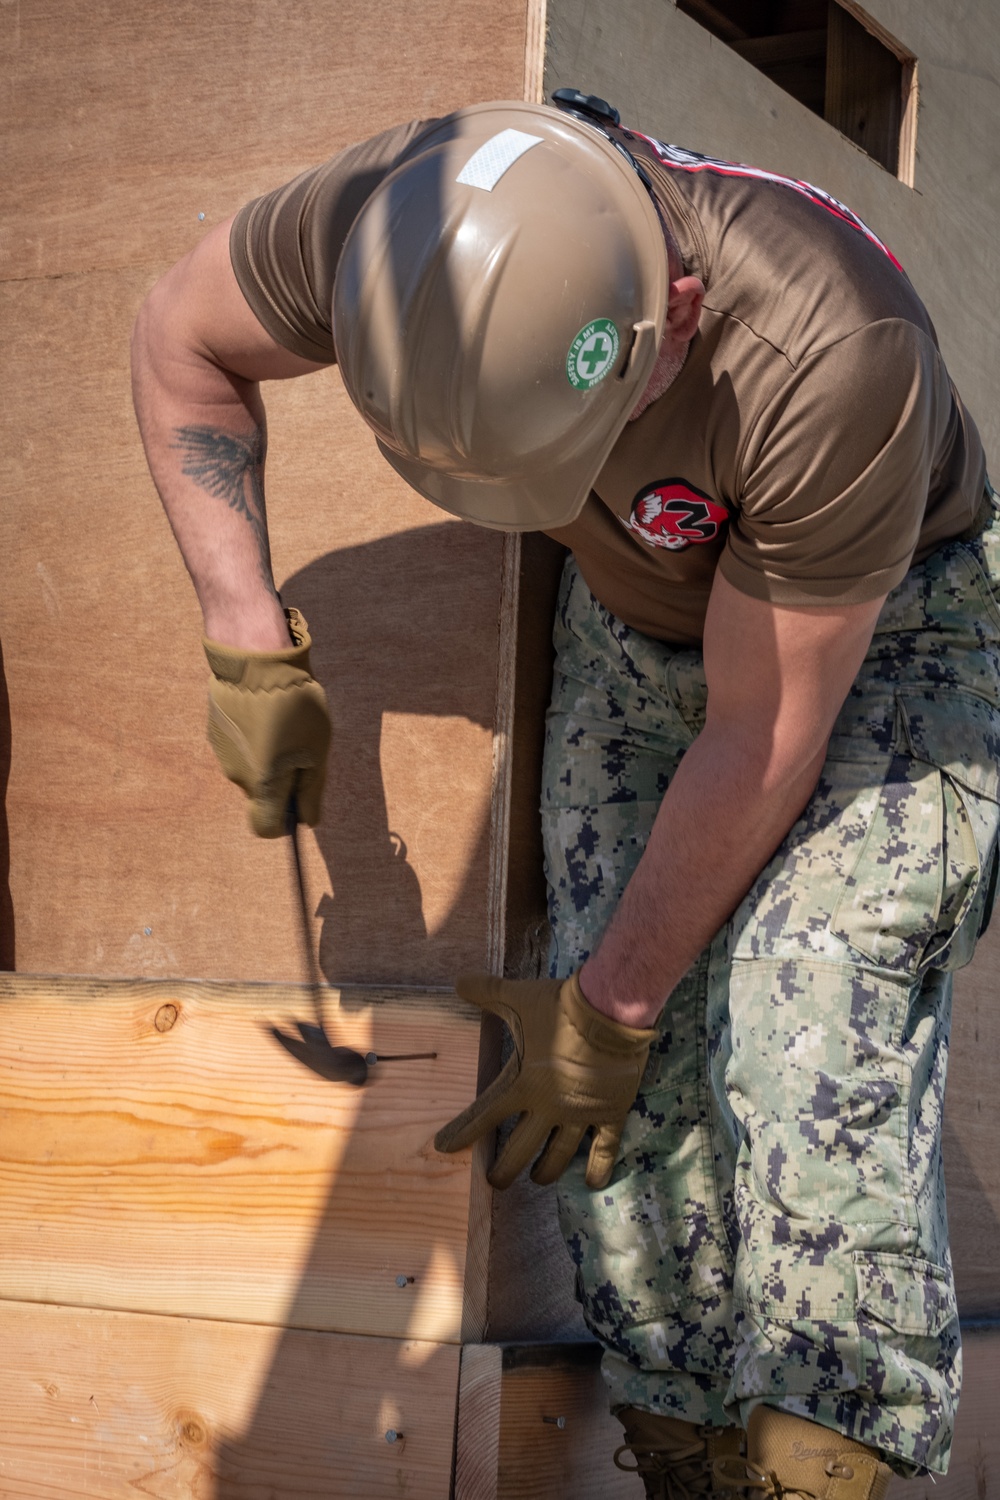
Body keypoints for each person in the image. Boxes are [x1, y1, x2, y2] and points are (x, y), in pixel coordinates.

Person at [131, 89, 1000, 1500]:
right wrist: (244, 635)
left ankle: (829, 1455)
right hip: (631, 633)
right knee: (614, 1122)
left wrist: (618, 1005)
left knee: (810, 1004)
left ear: (675, 311)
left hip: (880, 632)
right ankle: (685, 1450)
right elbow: (179, 338)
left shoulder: (833, 353)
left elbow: (762, 733)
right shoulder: (389, 227)